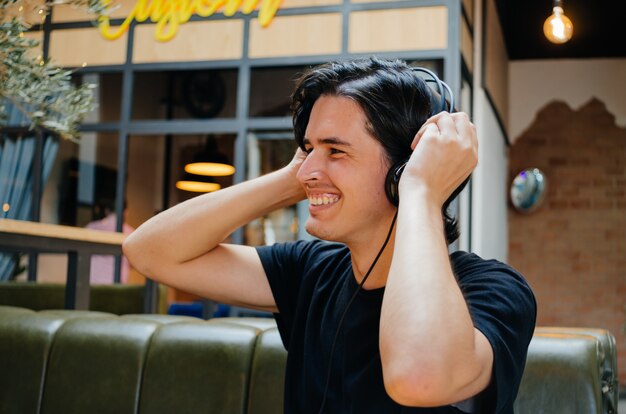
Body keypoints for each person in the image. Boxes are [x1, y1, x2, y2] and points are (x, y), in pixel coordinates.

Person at [123, 58, 536, 413]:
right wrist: (293, 178)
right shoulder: (309, 271)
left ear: (402, 169)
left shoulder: (494, 290)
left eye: (336, 150)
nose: (307, 170)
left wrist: (422, 192)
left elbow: (419, 377)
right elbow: (149, 251)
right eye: (307, 148)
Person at [86, 202, 134, 284]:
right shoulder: (131, 233)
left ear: (107, 211)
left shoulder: (91, 228)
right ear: (126, 212)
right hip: (117, 286)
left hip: (92, 283)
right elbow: (134, 262)